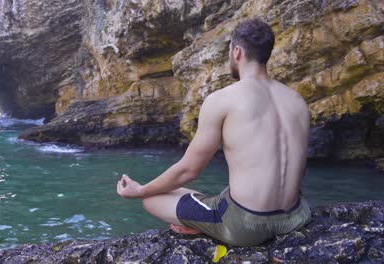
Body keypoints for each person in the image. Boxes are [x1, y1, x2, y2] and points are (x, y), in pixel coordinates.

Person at [116, 18, 312, 247]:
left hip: (246, 227)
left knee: (152, 199)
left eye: (230, 50)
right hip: (297, 216)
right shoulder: (297, 101)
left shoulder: (222, 100)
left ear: (237, 52)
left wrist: (140, 190)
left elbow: (188, 170)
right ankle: (204, 220)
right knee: (203, 194)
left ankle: (201, 226)